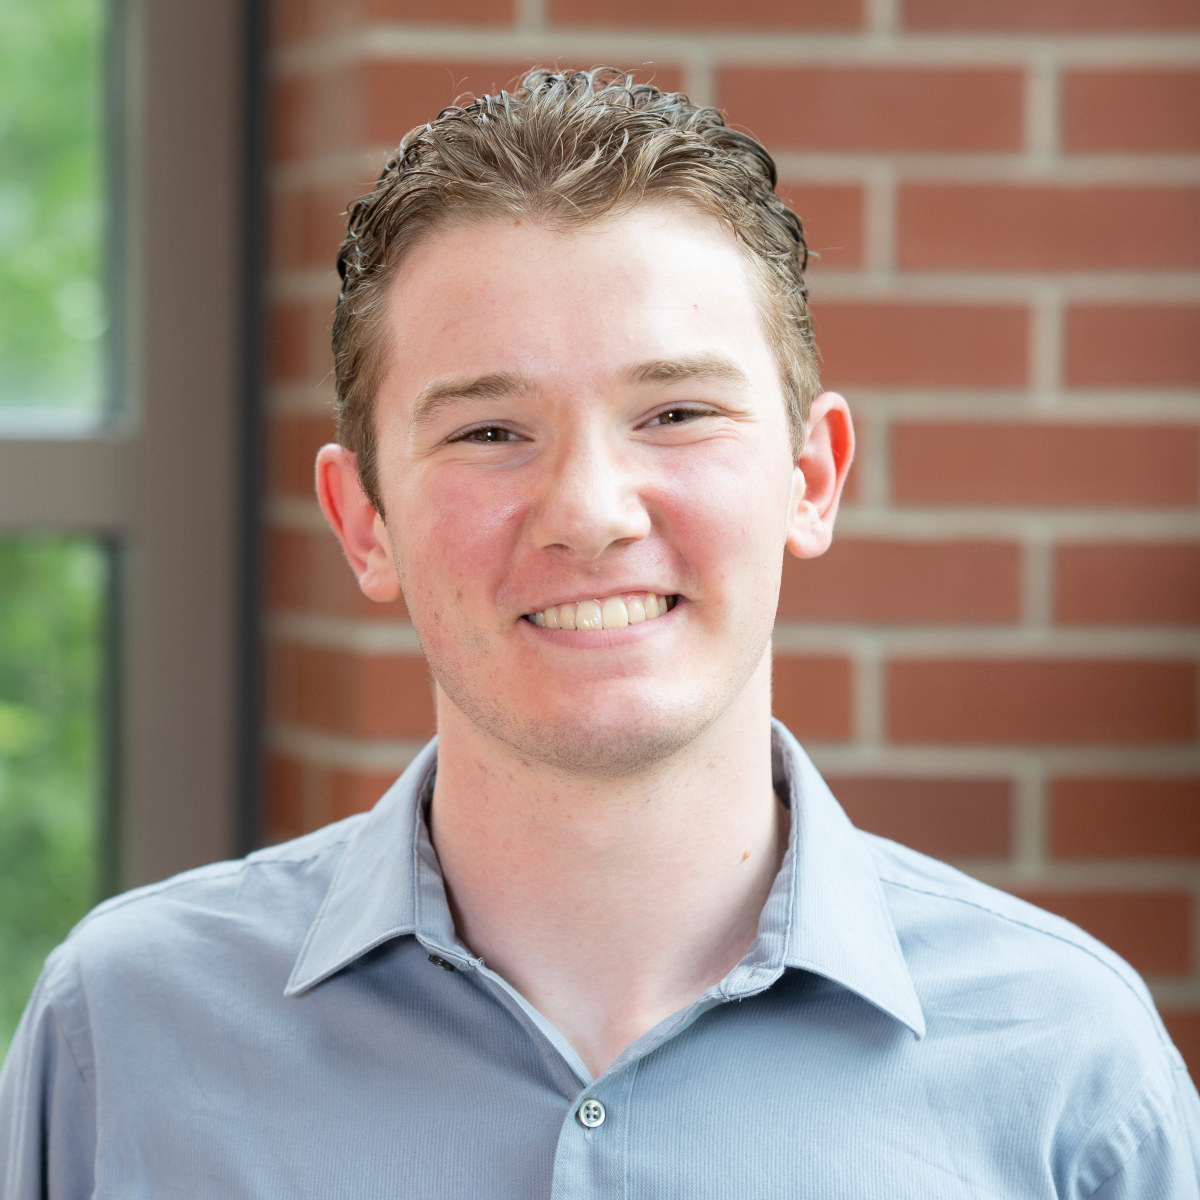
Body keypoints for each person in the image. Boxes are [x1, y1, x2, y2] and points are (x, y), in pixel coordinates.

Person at [2, 67, 1197, 1198]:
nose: (588, 513)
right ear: (363, 521)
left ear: (812, 479)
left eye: (675, 413)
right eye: (488, 432)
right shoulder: (125, 1038)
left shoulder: (1066, 1069)